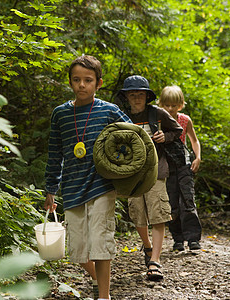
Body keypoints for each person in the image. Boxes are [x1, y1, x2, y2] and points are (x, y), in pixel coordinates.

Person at [44, 55, 131, 300]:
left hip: (101, 186)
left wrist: (119, 160)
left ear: (99, 83)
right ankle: (95, 278)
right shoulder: (60, 114)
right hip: (71, 188)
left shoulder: (109, 110)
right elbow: (55, 153)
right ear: (70, 82)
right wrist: (51, 189)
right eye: (77, 80)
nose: (82, 85)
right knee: (78, 250)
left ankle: (104, 296)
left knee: (101, 243)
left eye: (88, 80)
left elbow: (133, 137)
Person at [117, 75, 183, 281]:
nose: (137, 98)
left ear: (147, 96)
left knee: (158, 214)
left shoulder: (158, 113)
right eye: (133, 94)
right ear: (127, 97)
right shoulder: (120, 116)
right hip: (131, 173)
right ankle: (147, 246)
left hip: (157, 171)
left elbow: (177, 130)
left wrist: (166, 137)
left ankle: (155, 260)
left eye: (141, 94)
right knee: (137, 214)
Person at [159, 85, 203, 251]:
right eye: (167, 105)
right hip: (166, 167)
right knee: (171, 203)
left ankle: (193, 239)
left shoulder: (185, 120)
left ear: (181, 105)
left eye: (174, 106)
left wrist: (197, 157)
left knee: (188, 200)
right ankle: (177, 239)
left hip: (184, 165)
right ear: (161, 104)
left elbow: (194, 140)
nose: (170, 109)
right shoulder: (158, 121)